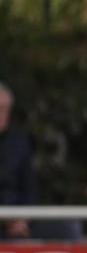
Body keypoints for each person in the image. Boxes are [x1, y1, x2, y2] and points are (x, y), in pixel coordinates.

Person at [0, 82, 38, 239]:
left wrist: (24, 219)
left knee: (67, 227)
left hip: (18, 221)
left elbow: (31, 188)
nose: (2, 114)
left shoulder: (19, 142)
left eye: (5, 109)